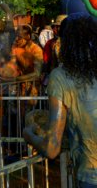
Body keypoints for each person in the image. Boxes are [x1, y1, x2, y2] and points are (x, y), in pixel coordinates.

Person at [23, 13, 97, 188]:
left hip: (91, 176)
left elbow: (52, 148)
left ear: (64, 43)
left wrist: (29, 134)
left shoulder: (61, 76)